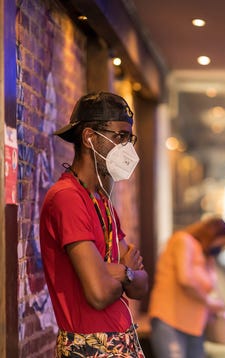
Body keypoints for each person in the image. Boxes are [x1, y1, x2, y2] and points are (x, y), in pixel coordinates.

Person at [40, 92, 148, 357]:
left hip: (121, 343)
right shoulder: (67, 197)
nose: (127, 148)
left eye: (129, 139)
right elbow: (98, 293)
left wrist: (118, 272)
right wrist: (125, 272)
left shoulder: (102, 201)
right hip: (89, 348)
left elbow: (142, 286)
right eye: (120, 137)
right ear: (90, 137)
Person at [148, 217, 225, 358]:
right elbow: (185, 279)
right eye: (223, 243)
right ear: (213, 235)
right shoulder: (183, 241)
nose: (222, 249)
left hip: (195, 326)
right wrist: (209, 302)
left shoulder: (206, 257)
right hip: (170, 320)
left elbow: (212, 289)